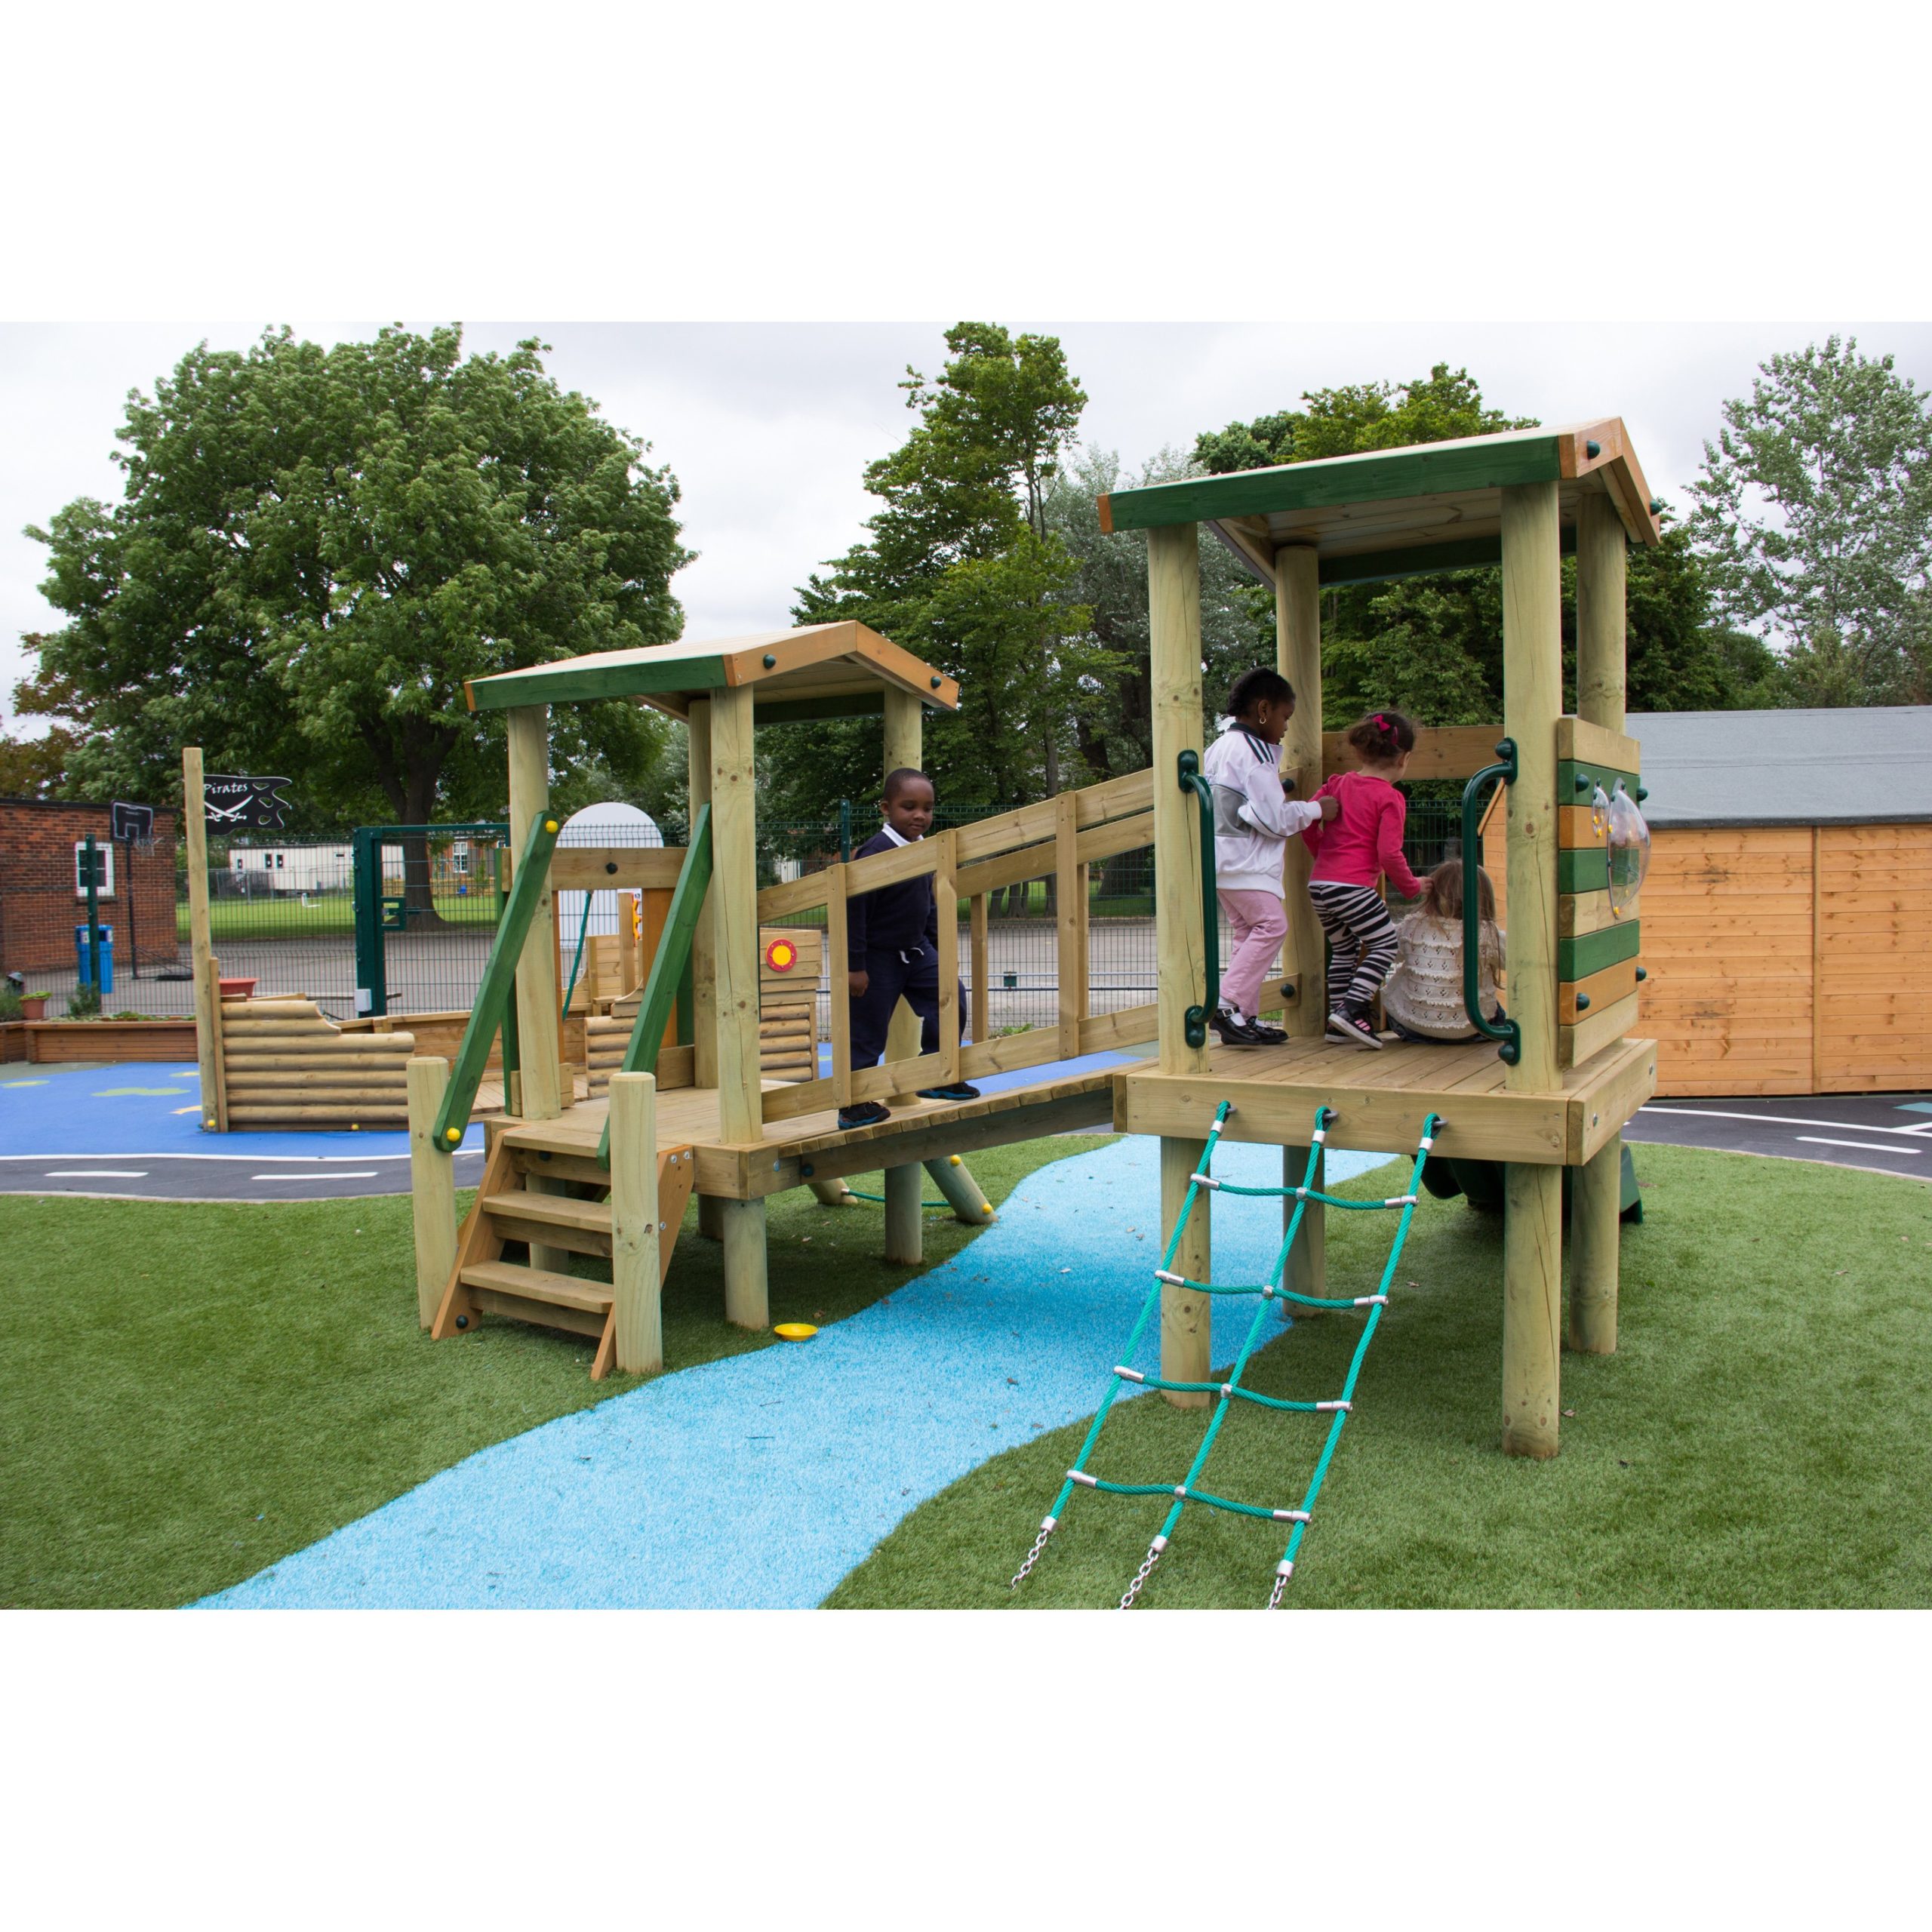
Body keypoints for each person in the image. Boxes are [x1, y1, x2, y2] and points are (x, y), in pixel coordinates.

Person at [1201, 667, 1338, 1047]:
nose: (1285, 728)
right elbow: (1274, 819)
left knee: (1248, 933)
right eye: (1285, 718)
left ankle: (1242, 1018)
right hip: (1245, 864)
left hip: (1220, 860)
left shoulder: (1217, 748)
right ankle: (1227, 1004)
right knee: (1272, 926)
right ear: (1263, 710)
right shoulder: (1255, 756)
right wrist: (1315, 810)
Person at [839, 766, 977, 1130]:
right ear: (886, 808)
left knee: (952, 997)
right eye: (909, 807)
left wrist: (940, 951)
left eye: (927, 808)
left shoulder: (924, 850)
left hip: (917, 952)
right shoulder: (875, 852)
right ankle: (854, 1104)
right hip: (876, 957)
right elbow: (855, 912)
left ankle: (936, 1073)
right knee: (867, 1031)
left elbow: (927, 906)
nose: (920, 815)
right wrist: (855, 966)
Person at [1303, 709, 1424, 1050]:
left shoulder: (1336, 785)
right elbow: (1389, 855)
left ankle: (1338, 1027)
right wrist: (1412, 886)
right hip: (1354, 887)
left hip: (1321, 885)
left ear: (1362, 750)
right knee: (1385, 944)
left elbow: (1308, 822)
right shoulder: (1390, 798)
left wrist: (1323, 856)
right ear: (1404, 759)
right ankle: (1353, 1007)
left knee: (1344, 948)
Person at [1382, 860, 1506, 1041]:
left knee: (1398, 988)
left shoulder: (1413, 926)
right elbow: (1512, 959)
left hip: (1413, 1027)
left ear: (1432, 895)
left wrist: (1379, 916)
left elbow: (1389, 951)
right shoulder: (1487, 933)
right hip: (1470, 1030)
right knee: (1497, 1011)